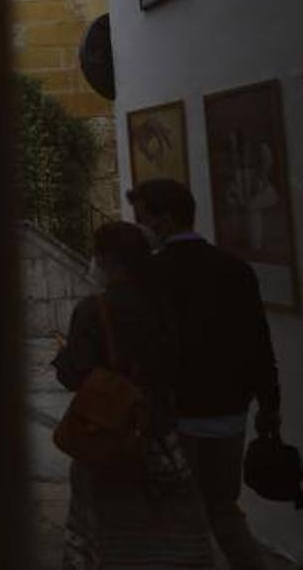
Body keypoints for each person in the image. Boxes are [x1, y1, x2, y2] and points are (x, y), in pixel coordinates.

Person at [129, 178, 280, 570]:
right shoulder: (236, 269)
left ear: (161, 221)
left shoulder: (151, 274)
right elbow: (259, 343)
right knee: (223, 509)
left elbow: (146, 349)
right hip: (230, 414)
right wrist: (269, 404)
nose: (140, 226)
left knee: (176, 515)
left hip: (177, 416)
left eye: (142, 218)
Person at [53, 222, 212, 569]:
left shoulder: (95, 310)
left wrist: (65, 355)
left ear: (107, 260)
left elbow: (74, 373)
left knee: (107, 529)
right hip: (161, 430)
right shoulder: (164, 303)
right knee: (166, 527)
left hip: (109, 430)